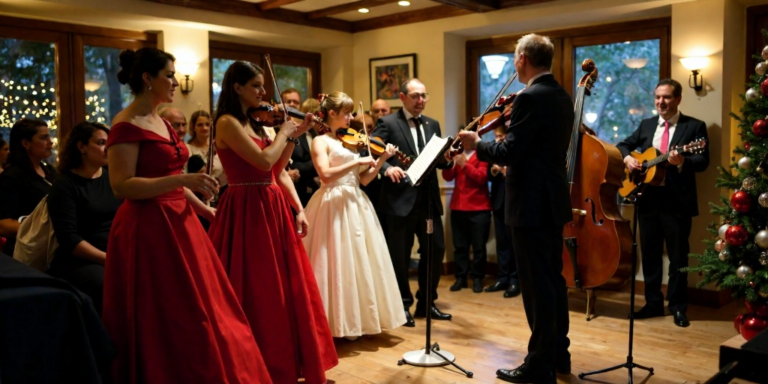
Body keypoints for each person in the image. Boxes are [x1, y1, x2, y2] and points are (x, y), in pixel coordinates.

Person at [104, 47, 271, 383]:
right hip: (148, 229)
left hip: (180, 222)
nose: (175, 82)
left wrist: (205, 209)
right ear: (148, 79)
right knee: (173, 313)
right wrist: (183, 179)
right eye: (169, 75)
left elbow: (175, 188)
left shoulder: (163, 121)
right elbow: (122, 187)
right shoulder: (125, 124)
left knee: (210, 309)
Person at [208, 60, 337, 384]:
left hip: (271, 205)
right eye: (256, 86)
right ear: (237, 87)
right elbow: (262, 159)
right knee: (256, 287)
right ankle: (252, 362)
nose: (264, 93)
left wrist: (296, 135)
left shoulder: (255, 123)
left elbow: (276, 168)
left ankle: (284, 360)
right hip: (245, 209)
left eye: (264, 86)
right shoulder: (226, 123)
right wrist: (283, 131)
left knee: (284, 287)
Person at [458, 33, 572, 383]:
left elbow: (510, 153)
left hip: (530, 206)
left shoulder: (530, 98)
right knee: (553, 282)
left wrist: (477, 144)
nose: (514, 63)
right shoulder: (562, 95)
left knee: (537, 289)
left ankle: (538, 366)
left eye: (514, 57)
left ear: (522, 58)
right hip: (552, 203)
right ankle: (558, 354)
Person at [302, 92, 406, 340]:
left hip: (356, 201)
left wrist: (381, 159)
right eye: (347, 112)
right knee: (334, 261)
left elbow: (364, 179)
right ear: (332, 114)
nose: (351, 117)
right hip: (332, 202)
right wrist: (357, 161)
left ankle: (358, 321)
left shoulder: (350, 142)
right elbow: (326, 175)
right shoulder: (321, 141)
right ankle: (331, 323)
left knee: (359, 260)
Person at [616, 78, 709, 328]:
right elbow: (623, 145)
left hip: (677, 203)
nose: (661, 102)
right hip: (647, 200)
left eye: (666, 97)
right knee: (650, 255)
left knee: (679, 258)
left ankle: (678, 307)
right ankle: (653, 303)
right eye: (658, 97)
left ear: (678, 99)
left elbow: (703, 161)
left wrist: (682, 163)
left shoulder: (694, 127)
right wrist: (628, 159)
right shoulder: (647, 125)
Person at [375, 78, 453, 327]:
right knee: (400, 255)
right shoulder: (387, 122)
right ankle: (402, 306)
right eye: (416, 96)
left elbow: (438, 160)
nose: (421, 101)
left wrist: (449, 158)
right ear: (402, 97)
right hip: (399, 200)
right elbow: (371, 150)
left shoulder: (433, 124)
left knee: (435, 250)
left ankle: (427, 303)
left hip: (428, 200)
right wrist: (386, 168)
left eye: (424, 96)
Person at [47, 122, 122, 315]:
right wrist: (109, 259)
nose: (107, 148)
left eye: (109, 142)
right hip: (80, 259)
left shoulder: (112, 177)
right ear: (81, 147)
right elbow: (69, 239)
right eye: (101, 142)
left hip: (113, 253)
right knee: (106, 284)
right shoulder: (64, 185)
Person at [0, 118, 56, 256]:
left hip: (51, 247)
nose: (50, 142)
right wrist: (44, 230)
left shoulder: (50, 170)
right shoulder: (12, 177)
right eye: (44, 138)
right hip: (26, 252)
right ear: (26, 143)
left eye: (49, 136)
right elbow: (3, 224)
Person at [442, 148, 491, 294]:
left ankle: (477, 278)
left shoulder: (482, 154)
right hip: (458, 207)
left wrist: (465, 165)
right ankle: (460, 278)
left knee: (479, 247)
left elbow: (481, 177)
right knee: (460, 246)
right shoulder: (457, 155)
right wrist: (448, 162)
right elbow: (448, 177)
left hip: (479, 208)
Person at [485, 126, 520, 298]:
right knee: (502, 244)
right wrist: (495, 170)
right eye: (496, 136)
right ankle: (502, 278)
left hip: (515, 203)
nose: (498, 139)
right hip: (499, 202)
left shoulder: (515, 152)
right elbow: (490, 176)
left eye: (501, 136)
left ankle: (515, 281)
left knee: (514, 245)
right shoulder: (496, 153)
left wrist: (503, 170)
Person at [287, 92, 320, 207]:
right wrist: (320, 161)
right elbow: (294, 164)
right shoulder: (297, 132)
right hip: (300, 188)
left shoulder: (317, 134)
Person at [186, 110, 226, 186]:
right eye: (200, 125)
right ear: (194, 127)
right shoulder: (187, 148)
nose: (204, 128)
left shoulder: (219, 146)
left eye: (207, 124)